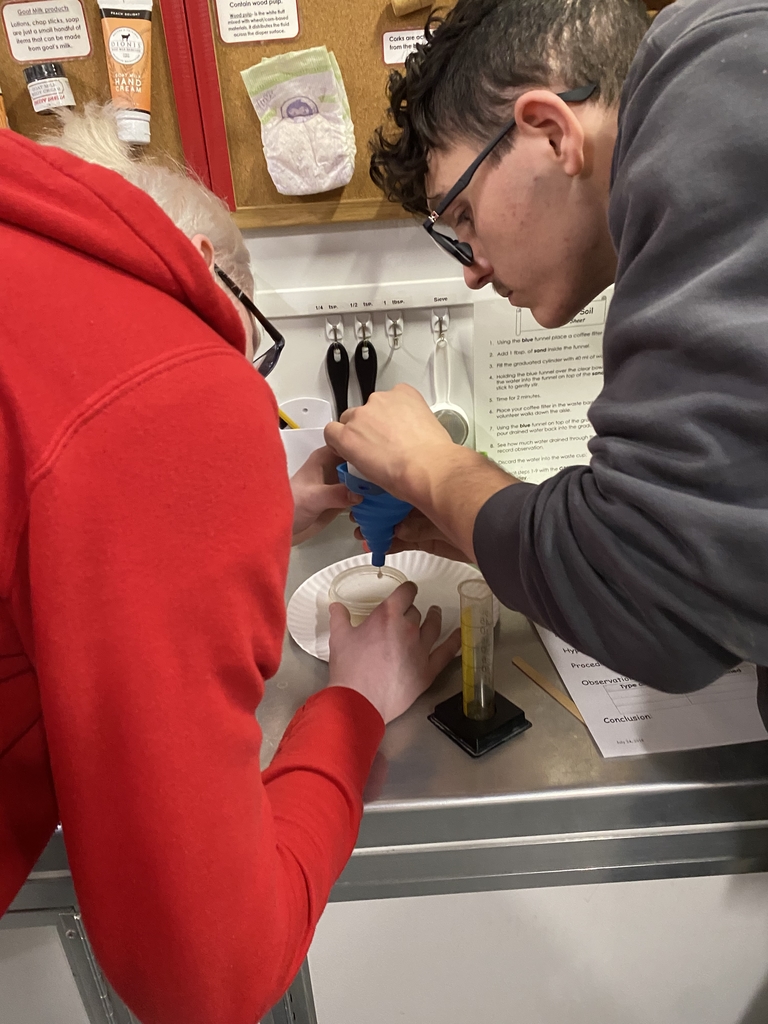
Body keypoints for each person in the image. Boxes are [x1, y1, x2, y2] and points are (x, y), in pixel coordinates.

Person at [0, 105, 459, 1024]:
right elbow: (210, 980)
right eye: (248, 349)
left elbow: (49, 504)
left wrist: (253, 516)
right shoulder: (167, 378)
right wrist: (355, 706)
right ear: (208, 273)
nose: (237, 375)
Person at [326, 0, 768, 694]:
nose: (470, 269)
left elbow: (653, 601)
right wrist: (477, 527)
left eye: (463, 216)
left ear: (551, 132)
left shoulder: (718, 78)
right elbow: (714, 576)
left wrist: (435, 467)